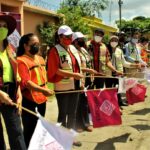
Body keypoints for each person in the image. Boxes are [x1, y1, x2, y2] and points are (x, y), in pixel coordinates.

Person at [47, 25, 84, 146]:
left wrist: (82, 80)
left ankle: (71, 137)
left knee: (72, 113)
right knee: (63, 114)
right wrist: (73, 74)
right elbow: (55, 70)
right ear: (59, 37)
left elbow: (78, 67)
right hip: (62, 88)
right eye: (66, 36)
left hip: (76, 85)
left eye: (70, 36)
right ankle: (62, 137)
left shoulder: (73, 48)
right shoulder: (54, 50)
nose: (69, 38)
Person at [17, 33, 54, 148]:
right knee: (29, 129)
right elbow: (26, 82)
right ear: (25, 46)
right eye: (34, 44)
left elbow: (43, 77)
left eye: (38, 44)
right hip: (29, 101)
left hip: (42, 99)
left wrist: (45, 90)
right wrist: (43, 90)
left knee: (39, 126)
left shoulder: (41, 58)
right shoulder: (21, 61)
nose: (37, 46)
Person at [0, 13, 26, 150]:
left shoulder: (10, 49)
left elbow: (16, 76)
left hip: (10, 93)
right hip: (0, 93)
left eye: (4, 26)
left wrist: (19, 94)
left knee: (16, 131)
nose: (2, 29)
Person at [72, 32, 98, 132]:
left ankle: (86, 123)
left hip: (87, 78)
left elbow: (88, 62)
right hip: (79, 79)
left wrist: (90, 74)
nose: (83, 41)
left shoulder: (83, 49)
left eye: (83, 39)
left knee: (85, 102)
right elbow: (77, 67)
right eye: (80, 39)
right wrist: (88, 71)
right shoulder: (72, 51)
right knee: (78, 102)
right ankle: (78, 124)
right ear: (74, 41)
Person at [107, 35, 142, 106]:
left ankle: (119, 102)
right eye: (112, 40)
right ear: (109, 41)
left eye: (116, 40)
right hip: (109, 73)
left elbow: (124, 63)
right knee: (110, 89)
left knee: (119, 88)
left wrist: (134, 65)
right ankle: (112, 104)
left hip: (119, 72)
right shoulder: (106, 50)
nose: (114, 42)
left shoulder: (119, 51)